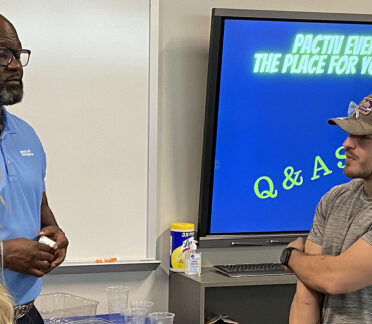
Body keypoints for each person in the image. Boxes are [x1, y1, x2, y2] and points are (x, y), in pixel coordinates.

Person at [0, 14, 69, 323]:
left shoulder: (25, 134)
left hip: (26, 313)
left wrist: (53, 232)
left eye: (18, 55)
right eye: (3, 55)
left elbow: (38, 203)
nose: (15, 65)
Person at [280, 93, 372, 323]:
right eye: (350, 133)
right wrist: (305, 266)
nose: (346, 143)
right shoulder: (335, 199)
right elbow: (307, 293)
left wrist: (291, 256)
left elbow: (334, 277)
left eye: (362, 136)